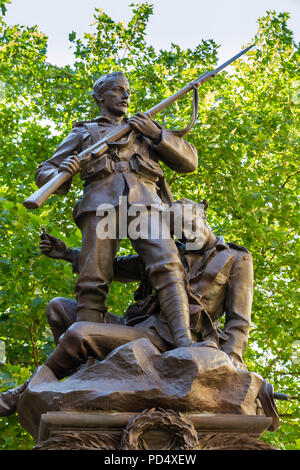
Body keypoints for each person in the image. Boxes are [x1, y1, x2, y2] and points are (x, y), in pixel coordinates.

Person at [0, 199, 253, 416]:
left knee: (80, 334)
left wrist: (233, 364)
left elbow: (238, 321)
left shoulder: (235, 258)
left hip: (170, 339)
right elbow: (117, 266)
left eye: (190, 224)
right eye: (179, 232)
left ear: (202, 214)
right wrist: (68, 254)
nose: (187, 235)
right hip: (140, 327)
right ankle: (81, 372)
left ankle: (23, 393)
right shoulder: (170, 253)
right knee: (58, 308)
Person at [35, 71, 198, 350]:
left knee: (168, 263)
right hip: (100, 205)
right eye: (118, 90)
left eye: (128, 92)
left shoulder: (144, 128)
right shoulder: (84, 131)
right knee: (93, 279)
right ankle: (85, 358)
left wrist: (157, 134)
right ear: (99, 96)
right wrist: (64, 171)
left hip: (145, 203)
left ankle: (183, 341)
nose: (125, 96)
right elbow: (45, 171)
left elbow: (189, 161)